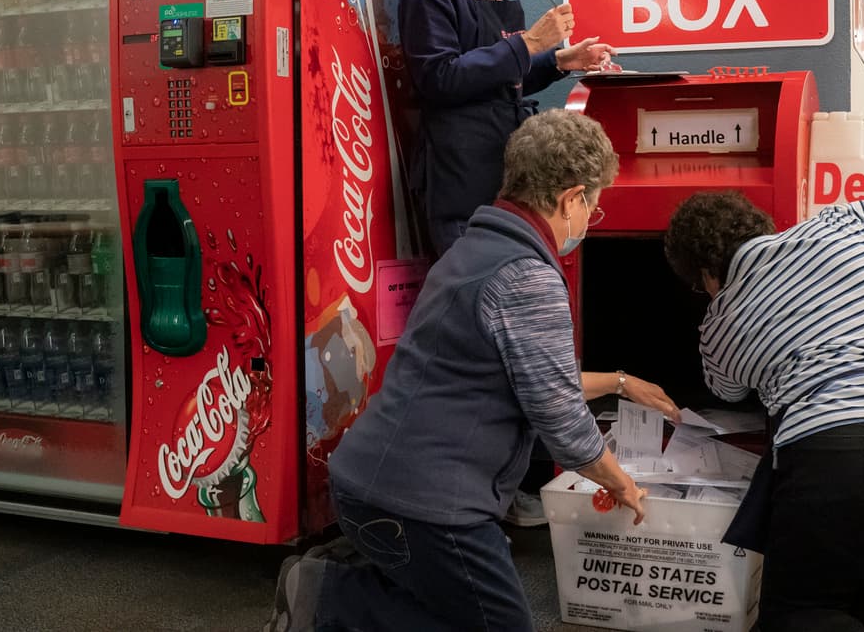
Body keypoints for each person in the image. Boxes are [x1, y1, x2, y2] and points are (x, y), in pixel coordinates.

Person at [267, 110, 676, 632]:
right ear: (571, 199)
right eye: (592, 207)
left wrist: (619, 382)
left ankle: (341, 593)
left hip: (364, 481)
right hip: (426, 506)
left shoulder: (475, 249)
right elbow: (563, 424)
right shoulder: (528, 276)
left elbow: (534, 378)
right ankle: (329, 597)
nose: (588, 222)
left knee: (446, 609)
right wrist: (625, 486)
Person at [663, 189, 864, 632]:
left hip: (841, 446)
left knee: (804, 613)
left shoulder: (721, 322)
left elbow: (725, 390)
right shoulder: (845, 224)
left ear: (705, 275)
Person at [398, 0, 615, 257]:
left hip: (504, 172)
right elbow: (440, 78)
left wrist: (558, 61)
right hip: (459, 176)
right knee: (474, 298)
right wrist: (530, 43)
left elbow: (500, 79)